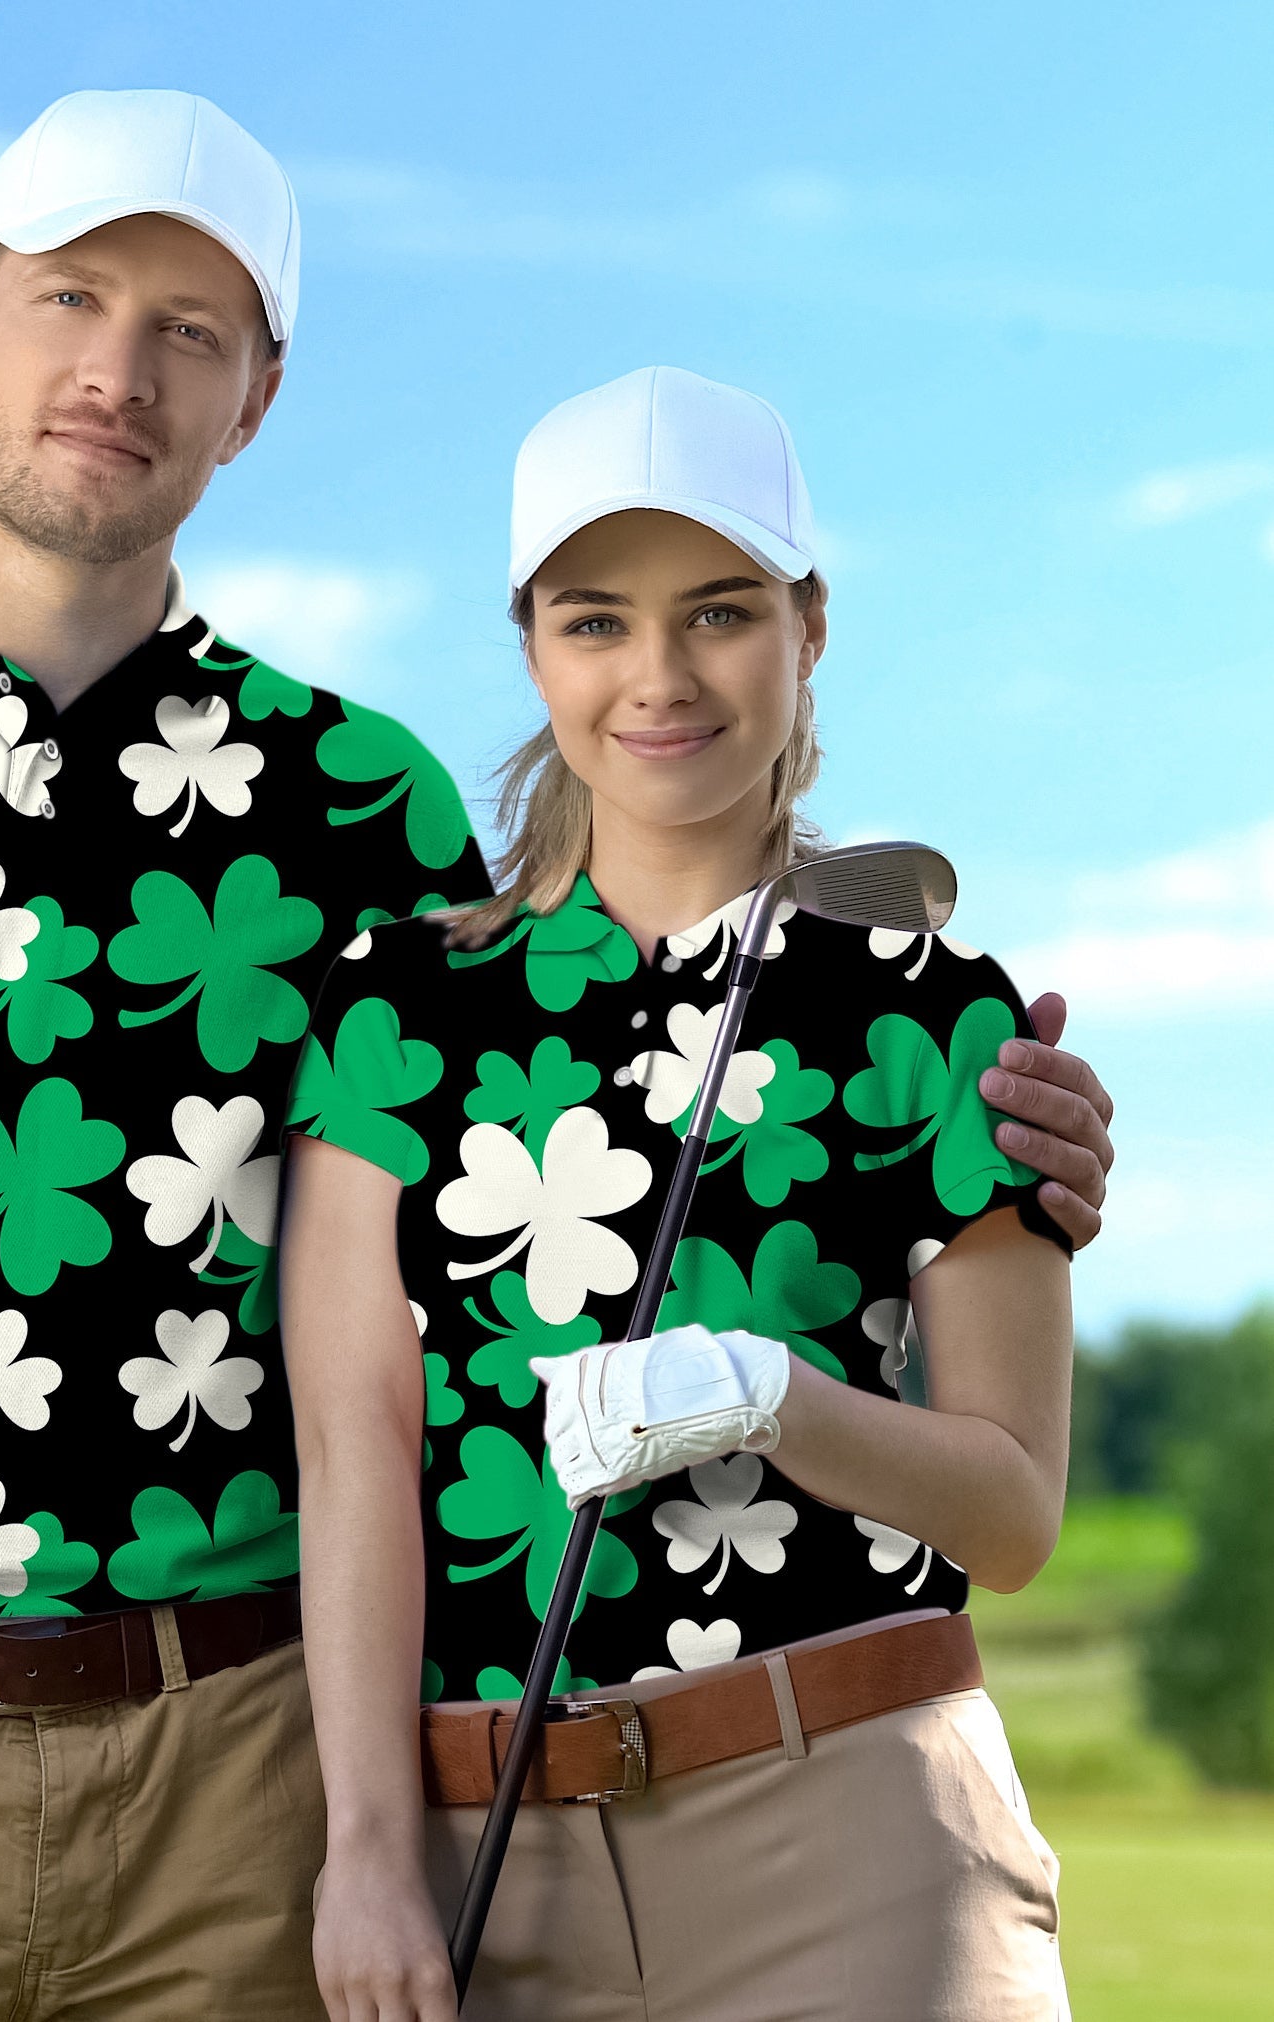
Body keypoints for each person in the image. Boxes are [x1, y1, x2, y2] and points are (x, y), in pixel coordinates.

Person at [0, 88, 1112, 2016]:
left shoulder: (352, 803)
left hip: (245, 1775)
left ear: (256, 397)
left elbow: (556, 1180)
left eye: (188, 331)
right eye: (68, 300)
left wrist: (981, 1133)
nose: (117, 371)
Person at [282, 367, 1083, 2020]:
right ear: (528, 647)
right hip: (485, 1850)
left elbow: (1008, 1516)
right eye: (595, 621)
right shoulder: (395, 1013)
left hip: (855, 1820)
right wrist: (363, 1845)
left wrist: (764, 1395)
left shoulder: (932, 1011)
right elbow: (352, 1450)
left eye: (717, 612)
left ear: (806, 627)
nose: (657, 677)